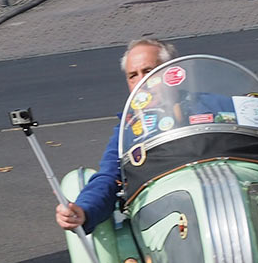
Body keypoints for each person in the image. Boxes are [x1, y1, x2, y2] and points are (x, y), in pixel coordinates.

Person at [55, 38, 176, 233]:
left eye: (148, 71)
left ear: (172, 71)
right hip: (160, 217)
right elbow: (109, 177)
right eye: (132, 76)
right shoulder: (128, 129)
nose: (141, 82)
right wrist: (84, 209)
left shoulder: (215, 106)